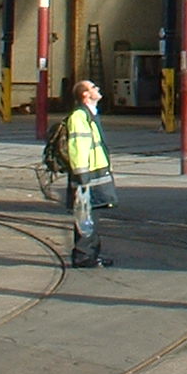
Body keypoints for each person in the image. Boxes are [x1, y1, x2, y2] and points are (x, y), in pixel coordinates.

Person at [64, 79, 117, 269]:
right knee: (85, 217)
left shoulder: (90, 114)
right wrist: (82, 178)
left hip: (97, 175)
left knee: (92, 217)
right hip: (88, 177)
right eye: (94, 87)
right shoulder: (79, 117)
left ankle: (92, 255)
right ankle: (83, 256)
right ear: (85, 95)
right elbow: (78, 146)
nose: (98, 88)